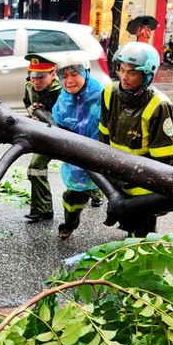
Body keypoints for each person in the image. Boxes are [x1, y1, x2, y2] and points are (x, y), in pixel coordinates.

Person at [99, 41, 173, 236]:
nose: (124, 77)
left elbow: (166, 159)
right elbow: (103, 138)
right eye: (122, 70)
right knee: (127, 229)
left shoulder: (159, 106)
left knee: (142, 240)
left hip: (144, 186)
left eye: (132, 73)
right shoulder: (109, 93)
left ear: (147, 76)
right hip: (118, 177)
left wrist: (162, 197)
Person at [51, 55, 105, 240]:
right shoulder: (64, 99)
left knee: (119, 194)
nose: (69, 80)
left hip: (103, 157)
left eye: (74, 74)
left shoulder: (100, 94)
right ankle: (69, 224)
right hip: (75, 159)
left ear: (86, 74)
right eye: (64, 76)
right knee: (73, 197)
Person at [23, 53, 61, 223]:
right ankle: (43, 209)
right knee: (35, 168)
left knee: (80, 169)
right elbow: (26, 102)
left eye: (41, 76)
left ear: (53, 74)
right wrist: (32, 109)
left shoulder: (61, 92)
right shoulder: (29, 86)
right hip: (41, 135)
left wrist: (47, 112)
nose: (36, 81)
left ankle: (94, 192)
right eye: (33, 76)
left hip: (60, 136)